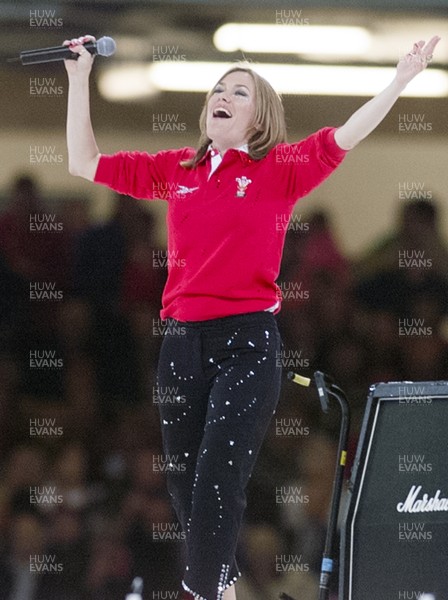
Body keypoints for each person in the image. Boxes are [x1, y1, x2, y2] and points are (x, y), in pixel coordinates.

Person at [63, 33, 440, 600]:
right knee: (184, 486)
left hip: (246, 342)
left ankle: (203, 594)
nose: (222, 94)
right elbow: (81, 161)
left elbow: (346, 134)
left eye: (239, 92)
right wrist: (76, 78)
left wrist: (401, 79)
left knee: (218, 480)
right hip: (180, 343)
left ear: (260, 118)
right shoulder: (177, 170)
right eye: (218, 89)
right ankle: (227, 586)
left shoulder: (280, 169)